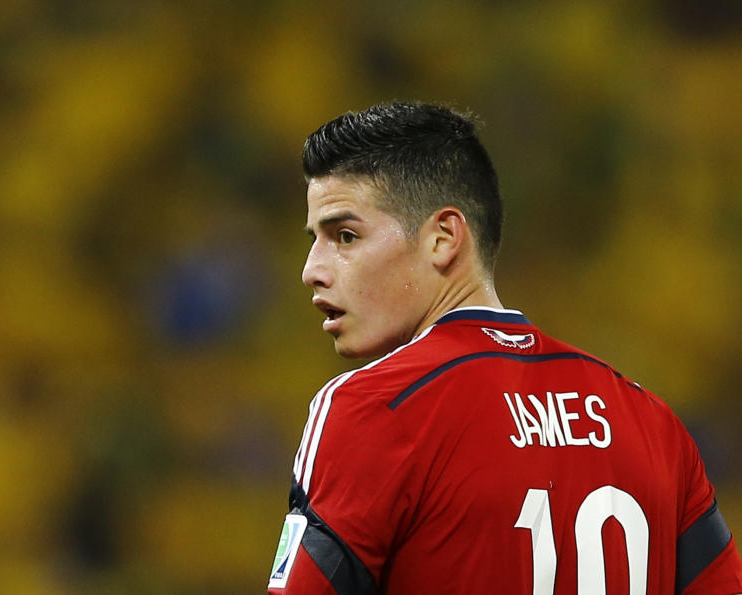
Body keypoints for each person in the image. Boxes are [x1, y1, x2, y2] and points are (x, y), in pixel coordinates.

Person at [266, 101, 742, 594]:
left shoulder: (375, 409)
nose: (312, 269)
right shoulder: (652, 423)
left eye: (345, 235)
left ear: (443, 239)